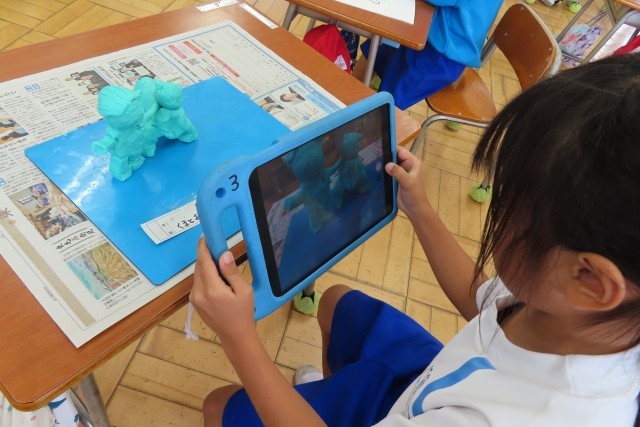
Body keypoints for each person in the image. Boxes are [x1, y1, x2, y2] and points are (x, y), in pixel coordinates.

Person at [190, 54, 640, 426]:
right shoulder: (590, 313)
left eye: (509, 211)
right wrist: (419, 207)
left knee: (219, 406)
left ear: (592, 281)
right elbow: (488, 301)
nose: (497, 217)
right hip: (433, 384)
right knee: (337, 302)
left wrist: (238, 336)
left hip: (437, 404)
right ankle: (331, 394)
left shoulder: (507, 418)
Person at [353, 0, 503, 110]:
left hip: (439, 56)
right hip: (432, 37)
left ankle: (371, 134)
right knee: (378, 46)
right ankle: (350, 98)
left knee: (388, 101)